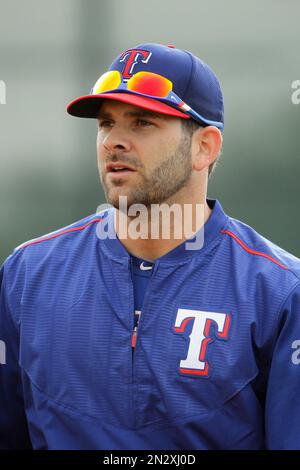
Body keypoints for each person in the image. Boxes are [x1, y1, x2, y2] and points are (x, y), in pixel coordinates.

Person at [0, 42, 300, 451]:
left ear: (204, 147)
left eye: (141, 122)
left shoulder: (279, 291)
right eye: (106, 124)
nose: (113, 142)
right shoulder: (26, 276)